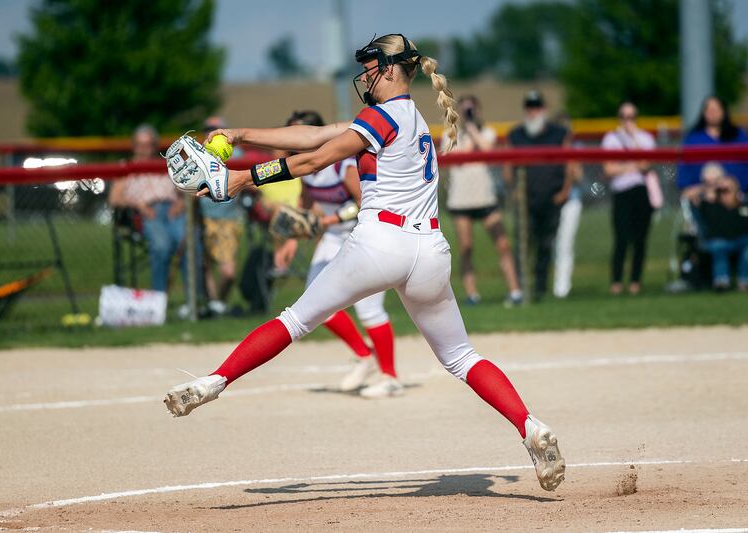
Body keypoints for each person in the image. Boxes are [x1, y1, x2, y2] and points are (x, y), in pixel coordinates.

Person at [164, 34, 565, 493]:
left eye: (372, 66)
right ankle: (530, 427)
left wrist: (242, 177)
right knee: (462, 357)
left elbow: (315, 157)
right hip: (430, 251)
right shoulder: (406, 116)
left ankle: (215, 382)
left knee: (294, 320)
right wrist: (239, 135)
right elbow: (314, 135)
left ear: (392, 68)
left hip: (381, 241)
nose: (366, 75)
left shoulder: (383, 115)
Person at [273, 110, 401, 397]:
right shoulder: (305, 167)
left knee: (369, 308)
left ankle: (390, 376)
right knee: (314, 300)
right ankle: (364, 356)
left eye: (301, 134)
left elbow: (363, 202)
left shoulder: (341, 165)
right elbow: (305, 206)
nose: (296, 141)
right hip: (334, 237)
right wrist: (292, 240)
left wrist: (326, 221)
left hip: (366, 234)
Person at [108, 124, 202, 318]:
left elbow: (190, 189)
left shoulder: (167, 163)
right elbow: (114, 199)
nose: (145, 149)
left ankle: (194, 303)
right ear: (134, 146)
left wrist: (181, 204)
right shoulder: (126, 167)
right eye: (141, 145)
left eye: (149, 145)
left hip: (173, 210)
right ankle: (158, 304)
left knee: (189, 241)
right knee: (161, 246)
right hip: (145, 213)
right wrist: (138, 205)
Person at [446, 95, 522, 307]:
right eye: (465, 111)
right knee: (466, 248)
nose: (469, 114)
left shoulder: (486, 132)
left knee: (503, 244)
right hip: (461, 201)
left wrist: (472, 129)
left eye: (472, 110)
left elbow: (488, 150)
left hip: (485, 199)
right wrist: (467, 132)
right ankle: (472, 294)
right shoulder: (450, 135)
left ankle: (515, 291)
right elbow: (459, 157)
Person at [506, 91, 573, 301]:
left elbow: (570, 162)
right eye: (529, 107)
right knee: (523, 244)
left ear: (543, 109)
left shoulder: (558, 133)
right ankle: (521, 289)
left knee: (546, 244)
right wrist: (514, 190)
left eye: (536, 107)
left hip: (552, 198)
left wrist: (565, 190)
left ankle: (541, 288)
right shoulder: (516, 134)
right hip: (527, 199)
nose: (533, 111)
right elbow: (508, 166)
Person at [601, 102, 657, 295]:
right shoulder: (611, 139)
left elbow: (646, 164)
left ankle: (635, 281)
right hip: (621, 192)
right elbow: (608, 170)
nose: (627, 121)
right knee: (621, 238)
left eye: (631, 117)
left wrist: (633, 142)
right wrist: (632, 166)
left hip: (641, 191)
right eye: (624, 117)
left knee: (640, 239)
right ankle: (616, 281)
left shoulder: (645, 138)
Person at [685, 172, 748, 291]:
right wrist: (708, 188)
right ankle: (722, 282)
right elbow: (688, 195)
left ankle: (744, 281)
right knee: (719, 246)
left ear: (736, 190)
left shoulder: (747, 206)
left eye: (727, 190)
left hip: (743, 240)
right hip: (718, 241)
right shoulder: (710, 205)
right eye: (720, 190)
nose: (723, 194)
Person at [199, 117, 246, 316]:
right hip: (202, 218)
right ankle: (214, 305)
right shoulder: (197, 155)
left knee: (228, 271)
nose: (211, 132)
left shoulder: (237, 153)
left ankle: (218, 301)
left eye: (215, 128)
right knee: (204, 265)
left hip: (228, 218)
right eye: (208, 129)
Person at [677, 96, 748, 198]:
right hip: (703, 197)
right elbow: (684, 170)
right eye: (708, 109)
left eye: (716, 109)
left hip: (737, 196)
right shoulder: (693, 138)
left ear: (723, 111)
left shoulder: (738, 136)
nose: (712, 113)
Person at [552, 112, 584, 299]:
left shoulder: (575, 147)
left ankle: (562, 287)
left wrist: (570, 158)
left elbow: (578, 175)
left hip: (571, 201)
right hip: (554, 201)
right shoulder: (550, 146)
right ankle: (551, 284)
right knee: (552, 243)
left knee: (565, 244)